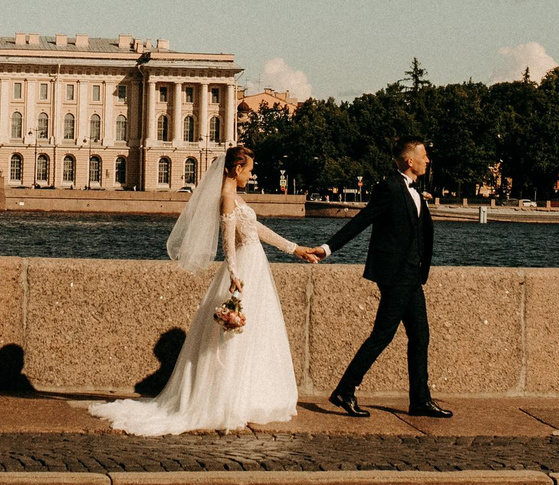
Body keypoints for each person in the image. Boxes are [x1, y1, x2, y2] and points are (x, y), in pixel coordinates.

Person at [89, 145, 327, 435]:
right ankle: (230, 400)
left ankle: (247, 396)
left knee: (252, 336)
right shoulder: (227, 199)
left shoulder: (234, 198)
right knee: (237, 340)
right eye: (249, 170)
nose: (251, 176)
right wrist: (235, 274)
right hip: (245, 268)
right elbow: (228, 240)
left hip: (253, 263)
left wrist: (295, 248)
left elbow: (256, 230)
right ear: (237, 169)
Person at [321, 137, 451, 420]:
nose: (428, 160)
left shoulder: (413, 190)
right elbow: (362, 220)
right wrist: (328, 248)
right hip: (395, 274)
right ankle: (345, 390)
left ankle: (420, 400)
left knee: (420, 336)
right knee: (383, 334)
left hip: (411, 273)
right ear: (410, 161)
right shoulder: (390, 187)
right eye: (424, 156)